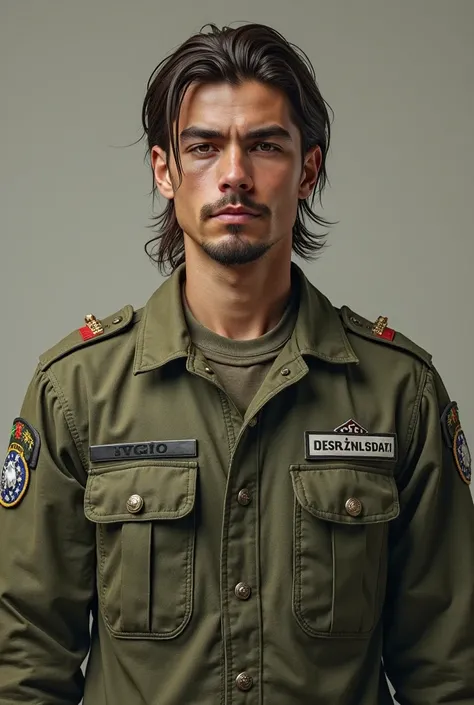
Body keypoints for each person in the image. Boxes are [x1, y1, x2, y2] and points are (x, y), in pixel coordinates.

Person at [0, 22, 473, 705]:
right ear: (165, 169)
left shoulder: (399, 394)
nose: (234, 175)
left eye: (264, 145)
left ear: (307, 168)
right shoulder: (76, 391)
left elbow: (448, 669)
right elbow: (24, 666)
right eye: (204, 146)